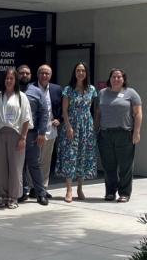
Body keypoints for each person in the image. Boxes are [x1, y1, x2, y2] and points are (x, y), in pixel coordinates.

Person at [95, 68, 142, 202]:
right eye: (113, 77)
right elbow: (98, 113)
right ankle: (110, 192)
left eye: (119, 77)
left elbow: (138, 113)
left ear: (123, 79)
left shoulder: (131, 93)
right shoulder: (102, 93)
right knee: (108, 165)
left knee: (125, 166)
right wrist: (95, 129)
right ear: (109, 79)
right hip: (105, 134)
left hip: (124, 133)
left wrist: (136, 132)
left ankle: (124, 193)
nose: (116, 79)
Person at [0, 68, 32, 209]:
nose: (8, 81)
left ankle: (13, 197)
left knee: (15, 168)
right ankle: (3, 196)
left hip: (16, 135)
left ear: (15, 80)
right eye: (6, 78)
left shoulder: (21, 97)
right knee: (0, 168)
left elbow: (26, 119)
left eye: (11, 78)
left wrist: (23, 138)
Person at [55, 62, 98, 203]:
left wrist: (91, 126)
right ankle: (69, 189)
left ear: (86, 73)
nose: (80, 73)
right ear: (74, 72)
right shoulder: (68, 89)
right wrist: (68, 126)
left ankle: (80, 188)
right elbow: (65, 110)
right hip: (71, 125)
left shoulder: (91, 89)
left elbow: (91, 109)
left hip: (86, 126)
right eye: (78, 70)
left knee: (83, 156)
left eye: (83, 70)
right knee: (70, 156)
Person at [17, 65, 49, 206]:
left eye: (27, 73)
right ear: (17, 74)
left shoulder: (37, 92)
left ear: (31, 75)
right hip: (15, 134)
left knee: (33, 165)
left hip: (32, 134)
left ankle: (40, 194)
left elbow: (44, 113)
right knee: (19, 165)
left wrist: (42, 132)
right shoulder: (12, 90)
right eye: (22, 73)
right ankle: (22, 192)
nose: (24, 75)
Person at [35, 64, 62, 198]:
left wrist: (59, 119)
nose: (44, 76)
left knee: (46, 161)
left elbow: (62, 107)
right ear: (38, 74)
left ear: (50, 76)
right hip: (35, 131)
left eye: (47, 74)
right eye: (42, 73)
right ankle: (32, 188)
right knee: (34, 160)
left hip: (51, 130)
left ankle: (43, 188)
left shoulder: (57, 89)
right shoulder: (31, 88)